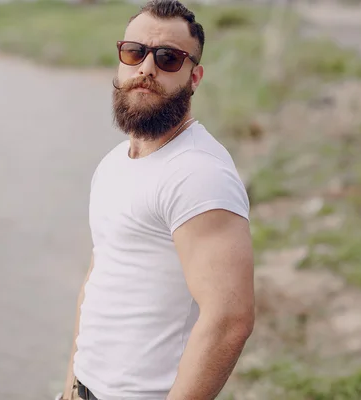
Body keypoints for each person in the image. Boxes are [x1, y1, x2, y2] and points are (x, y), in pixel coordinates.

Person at [58, 1, 255, 399]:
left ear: (194, 76)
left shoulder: (198, 173)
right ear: (121, 62)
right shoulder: (114, 163)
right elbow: (99, 280)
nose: (146, 68)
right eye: (135, 52)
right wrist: (71, 386)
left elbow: (230, 318)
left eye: (168, 58)